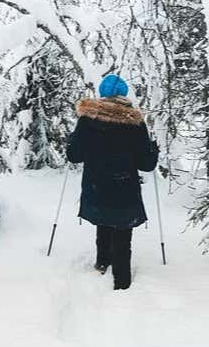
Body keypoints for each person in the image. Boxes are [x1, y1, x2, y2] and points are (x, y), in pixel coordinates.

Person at [65, 74, 159, 290]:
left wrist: (71, 141)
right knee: (122, 231)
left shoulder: (87, 120)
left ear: (102, 94)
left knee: (103, 220)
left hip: (96, 186)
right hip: (124, 187)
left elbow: (74, 156)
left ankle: (102, 263)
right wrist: (153, 150)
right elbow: (146, 164)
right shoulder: (135, 123)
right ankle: (122, 282)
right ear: (124, 95)